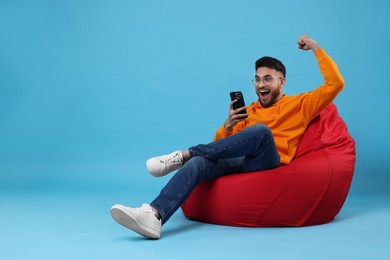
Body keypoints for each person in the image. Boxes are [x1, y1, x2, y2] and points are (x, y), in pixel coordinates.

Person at [110, 34, 344, 239]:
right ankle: (154, 215)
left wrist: (315, 47)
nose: (261, 85)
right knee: (201, 161)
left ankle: (184, 155)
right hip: (243, 162)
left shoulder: (301, 103)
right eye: (257, 79)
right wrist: (228, 125)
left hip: (271, 162)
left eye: (268, 79)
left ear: (282, 82)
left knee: (261, 132)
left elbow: (336, 83)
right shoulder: (249, 111)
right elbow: (221, 146)